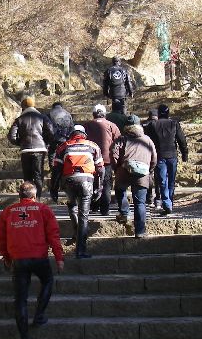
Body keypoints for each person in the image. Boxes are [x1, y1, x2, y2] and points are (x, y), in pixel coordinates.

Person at [0, 181, 64, 339]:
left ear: (19, 196)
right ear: (34, 196)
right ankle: (39, 315)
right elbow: (53, 235)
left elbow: (0, 238)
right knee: (47, 281)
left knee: (20, 300)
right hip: (39, 257)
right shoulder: (43, 209)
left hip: (19, 260)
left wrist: (7, 258)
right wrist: (59, 258)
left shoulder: (8, 211)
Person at [51, 125, 104, 258]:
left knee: (72, 205)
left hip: (68, 180)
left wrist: (54, 188)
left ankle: (76, 231)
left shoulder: (63, 146)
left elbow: (56, 169)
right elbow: (100, 169)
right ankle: (81, 250)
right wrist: (99, 188)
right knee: (84, 215)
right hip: (87, 181)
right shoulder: (93, 145)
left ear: (72, 134)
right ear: (84, 134)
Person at [110, 114, 157, 238]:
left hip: (124, 171)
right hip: (142, 173)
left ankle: (124, 212)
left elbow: (114, 154)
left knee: (120, 189)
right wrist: (149, 170)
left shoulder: (121, 139)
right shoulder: (147, 140)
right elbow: (154, 158)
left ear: (126, 126)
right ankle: (140, 231)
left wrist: (117, 168)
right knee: (140, 203)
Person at [8, 96, 55, 199]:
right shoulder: (42, 117)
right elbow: (51, 132)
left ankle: (27, 199)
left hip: (25, 150)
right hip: (39, 149)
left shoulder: (19, 119)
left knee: (27, 177)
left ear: (23, 107)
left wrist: (21, 143)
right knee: (38, 175)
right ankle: (37, 199)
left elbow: (12, 136)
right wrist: (45, 142)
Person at [148, 103, 189, 215]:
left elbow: (148, 142)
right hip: (172, 155)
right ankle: (169, 201)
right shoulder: (174, 123)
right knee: (171, 180)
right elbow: (182, 140)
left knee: (162, 181)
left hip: (159, 156)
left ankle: (167, 202)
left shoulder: (153, 125)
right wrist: (184, 154)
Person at [83, 104, 121, 216]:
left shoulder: (87, 125)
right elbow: (118, 141)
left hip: (90, 159)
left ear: (93, 114)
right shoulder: (112, 125)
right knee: (106, 184)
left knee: (92, 182)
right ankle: (105, 209)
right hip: (107, 159)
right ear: (104, 114)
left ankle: (94, 206)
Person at [142, 109, 162, 208]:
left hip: (146, 153)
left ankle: (149, 197)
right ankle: (158, 198)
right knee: (158, 176)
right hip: (158, 152)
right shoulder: (160, 125)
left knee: (147, 175)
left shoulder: (144, 125)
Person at [46, 101, 74, 167]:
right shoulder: (67, 114)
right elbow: (72, 127)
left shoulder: (50, 113)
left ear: (53, 107)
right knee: (64, 151)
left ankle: (52, 166)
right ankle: (64, 166)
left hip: (54, 136)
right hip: (65, 137)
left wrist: (48, 137)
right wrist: (68, 136)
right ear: (61, 106)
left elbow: (47, 125)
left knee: (52, 151)